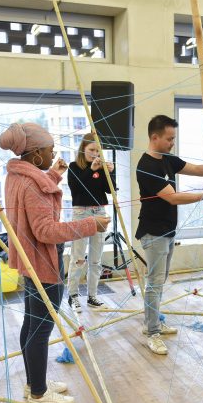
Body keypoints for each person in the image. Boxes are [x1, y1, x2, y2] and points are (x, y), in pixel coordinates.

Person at [0, 122, 110, 403]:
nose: (53, 154)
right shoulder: (31, 183)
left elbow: (36, 195)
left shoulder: (17, 175)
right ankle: (38, 392)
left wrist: (54, 174)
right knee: (41, 327)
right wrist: (90, 224)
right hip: (41, 260)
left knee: (32, 323)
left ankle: (33, 382)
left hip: (29, 259)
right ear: (35, 154)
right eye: (49, 151)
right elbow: (46, 231)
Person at [135, 115, 203, 355]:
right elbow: (173, 197)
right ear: (154, 137)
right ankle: (152, 332)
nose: (172, 143)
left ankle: (154, 322)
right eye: (169, 139)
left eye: (174, 139)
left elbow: (194, 169)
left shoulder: (167, 159)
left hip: (168, 230)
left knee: (159, 282)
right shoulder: (146, 166)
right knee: (155, 283)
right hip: (154, 232)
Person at [66, 133, 115, 312]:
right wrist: (92, 170)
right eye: (91, 150)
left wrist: (110, 173)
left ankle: (92, 296)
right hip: (81, 213)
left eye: (98, 150)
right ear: (83, 150)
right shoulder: (73, 167)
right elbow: (77, 189)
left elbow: (110, 190)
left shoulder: (101, 168)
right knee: (78, 257)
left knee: (96, 259)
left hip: (99, 211)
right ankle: (72, 296)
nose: (95, 154)